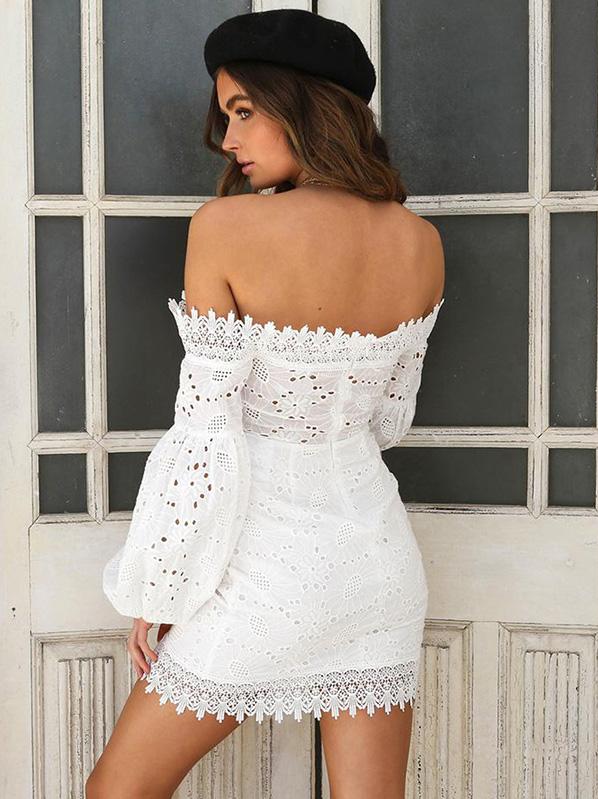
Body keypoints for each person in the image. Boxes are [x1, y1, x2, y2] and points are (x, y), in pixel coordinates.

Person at [86, 9, 445, 799]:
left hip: (264, 568)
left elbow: (204, 436)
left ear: (306, 106)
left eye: (243, 111)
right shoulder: (420, 242)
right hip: (377, 566)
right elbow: (390, 421)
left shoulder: (224, 228)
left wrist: (164, 588)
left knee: (119, 789)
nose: (227, 140)